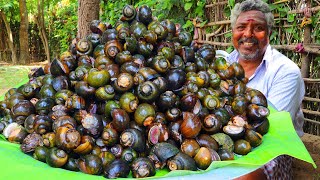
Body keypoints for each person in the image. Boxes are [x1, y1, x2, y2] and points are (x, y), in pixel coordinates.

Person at [226, 0, 305, 179]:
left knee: (246, 177)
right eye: (241, 27)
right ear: (233, 32)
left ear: (268, 34)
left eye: (258, 28)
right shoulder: (225, 63)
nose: (248, 34)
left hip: (271, 147)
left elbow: (270, 129)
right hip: (227, 140)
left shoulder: (285, 71)